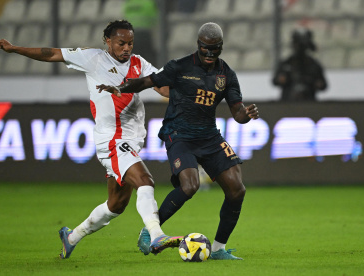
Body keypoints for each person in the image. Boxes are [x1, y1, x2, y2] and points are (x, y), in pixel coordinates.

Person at [0, 20, 182, 259]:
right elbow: (51, 54)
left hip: (132, 141)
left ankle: (71, 237)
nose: (126, 48)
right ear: (108, 41)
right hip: (111, 139)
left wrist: (191, 87)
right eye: (121, 43)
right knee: (145, 181)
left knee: (116, 205)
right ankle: (156, 235)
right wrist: (15, 48)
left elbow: (163, 88)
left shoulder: (138, 63)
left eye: (130, 43)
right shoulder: (92, 58)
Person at [97, 22, 260, 260]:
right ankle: (151, 230)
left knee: (237, 190)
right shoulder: (179, 67)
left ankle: (218, 249)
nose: (209, 53)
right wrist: (120, 88)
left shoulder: (226, 75)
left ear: (221, 47)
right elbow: (146, 82)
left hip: (209, 136)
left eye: (214, 49)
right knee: (190, 185)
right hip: (179, 134)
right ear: (198, 45)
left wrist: (246, 115)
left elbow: (237, 112)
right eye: (205, 48)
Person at [272, 27, 328, 101]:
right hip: (287, 102)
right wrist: (282, 80)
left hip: (309, 102)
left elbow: (323, 84)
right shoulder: (286, 63)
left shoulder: (313, 65)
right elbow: (275, 81)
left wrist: (316, 83)